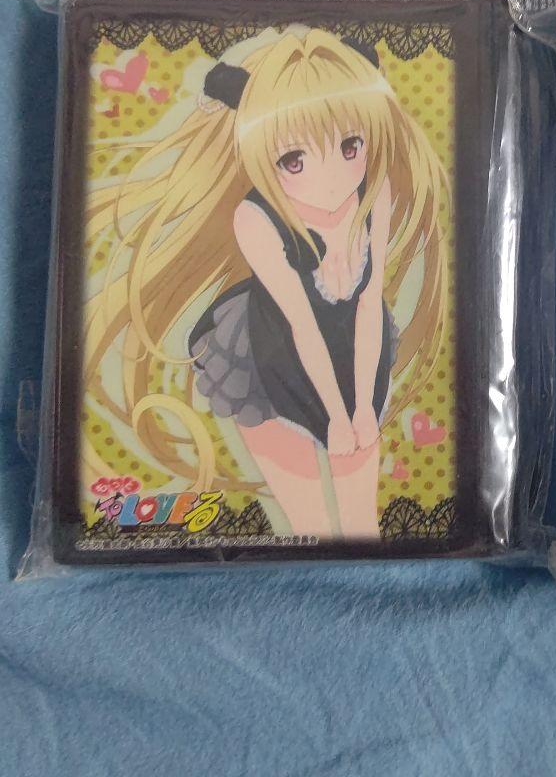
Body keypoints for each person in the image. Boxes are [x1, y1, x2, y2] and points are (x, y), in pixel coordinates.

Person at [83, 28, 447, 539]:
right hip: (267, 356)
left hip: (355, 344)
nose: (330, 178)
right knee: (308, 527)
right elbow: (300, 326)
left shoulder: (374, 194)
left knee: (362, 525)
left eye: (350, 145)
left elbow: (370, 301)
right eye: (294, 160)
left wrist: (363, 409)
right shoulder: (255, 219)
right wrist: (336, 419)